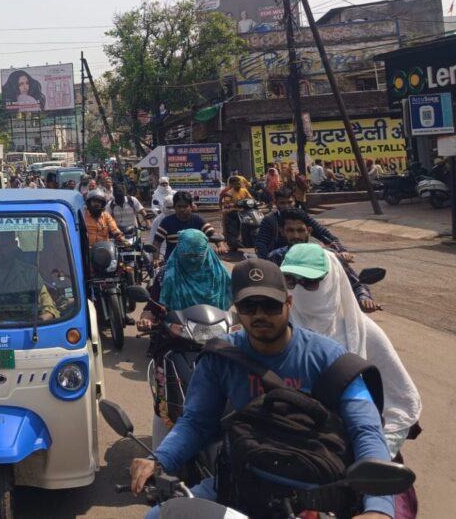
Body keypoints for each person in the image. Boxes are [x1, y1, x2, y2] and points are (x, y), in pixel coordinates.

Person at [132, 258, 395, 519]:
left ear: (288, 303)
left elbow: (366, 429)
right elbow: (196, 422)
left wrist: (379, 507)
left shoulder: (331, 359)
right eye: (249, 306)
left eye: (270, 305)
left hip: (317, 492)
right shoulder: (220, 357)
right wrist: (160, 459)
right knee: (157, 517)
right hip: (241, 483)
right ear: (237, 309)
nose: (259, 315)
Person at [283, 244, 421, 518]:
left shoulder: (363, 332)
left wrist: (373, 454)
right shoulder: (280, 330)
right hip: (292, 451)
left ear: (332, 280)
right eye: (291, 280)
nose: (299, 290)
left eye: (310, 282)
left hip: (354, 453)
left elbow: (402, 402)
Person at [137, 229, 233, 445]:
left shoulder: (219, 273)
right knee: (164, 400)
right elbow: (151, 307)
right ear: (179, 251)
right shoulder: (165, 275)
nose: (193, 260)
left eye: (197, 255)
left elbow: (233, 304)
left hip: (216, 342)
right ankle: (159, 452)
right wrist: (146, 320)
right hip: (175, 341)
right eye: (188, 256)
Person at [268, 209, 379, 312]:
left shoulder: (329, 257)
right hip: (292, 316)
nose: (296, 236)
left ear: (309, 231)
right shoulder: (276, 258)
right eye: (290, 231)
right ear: (282, 232)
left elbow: (355, 283)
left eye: (300, 230)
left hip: (327, 316)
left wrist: (364, 297)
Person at [255, 187, 344, 260]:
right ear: (276, 203)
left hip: (302, 258)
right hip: (278, 261)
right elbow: (261, 244)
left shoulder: (302, 217)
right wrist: (268, 264)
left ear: (294, 201)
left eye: (289, 202)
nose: (286, 206)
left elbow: (324, 234)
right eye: (282, 203)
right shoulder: (269, 220)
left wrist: (341, 250)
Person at [153, 191, 225, 264]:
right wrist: (156, 259)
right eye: (179, 206)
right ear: (174, 207)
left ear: (191, 206)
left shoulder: (198, 220)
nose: (182, 209)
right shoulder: (167, 222)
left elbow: (213, 234)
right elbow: (157, 241)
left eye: (185, 206)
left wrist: (220, 246)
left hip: (196, 263)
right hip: (173, 263)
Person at [220, 175, 253, 250]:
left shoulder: (244, 190)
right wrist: (231, 204)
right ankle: (226, 232)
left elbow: (251, 198)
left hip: (245, 210)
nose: (238, 185)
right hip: (234, 211)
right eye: (236, 184)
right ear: (232, 185)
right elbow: (227, 202)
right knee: (226, 214)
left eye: (239, 183)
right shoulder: (229, 192)